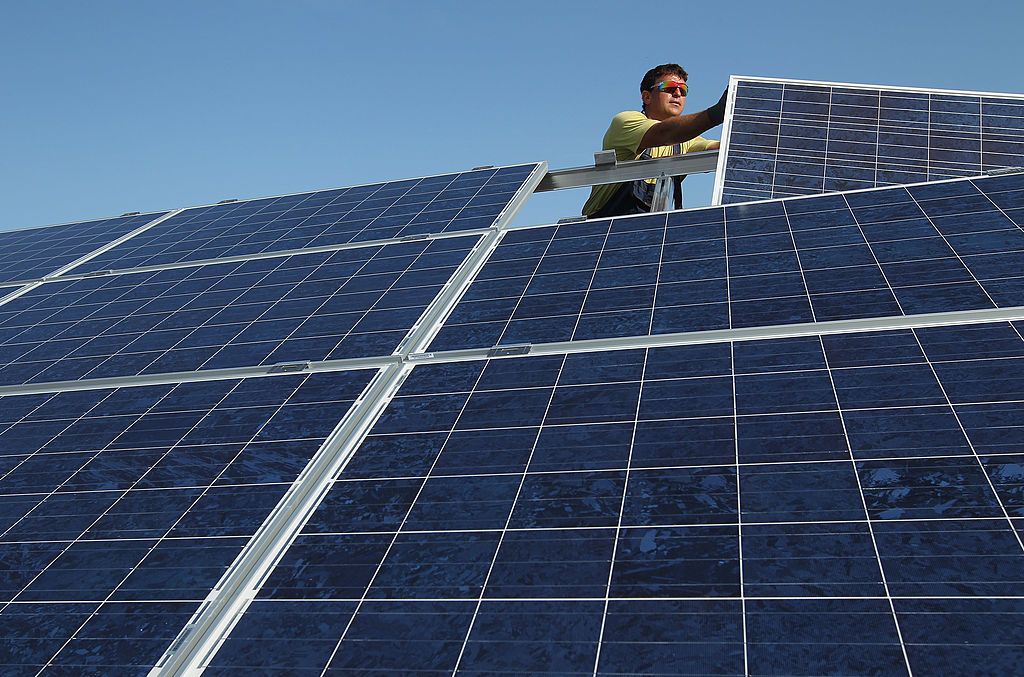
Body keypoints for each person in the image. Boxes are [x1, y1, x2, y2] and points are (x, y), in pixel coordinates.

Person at [582, 64, 728, 218]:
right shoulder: (626, 121)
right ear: (647, 96)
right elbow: (664, 132)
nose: (678, 93)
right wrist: (716, 114)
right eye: (669, 88)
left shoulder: (686, 142)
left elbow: (720, 149)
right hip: (603, 227)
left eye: (683, 90)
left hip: (651, 229)